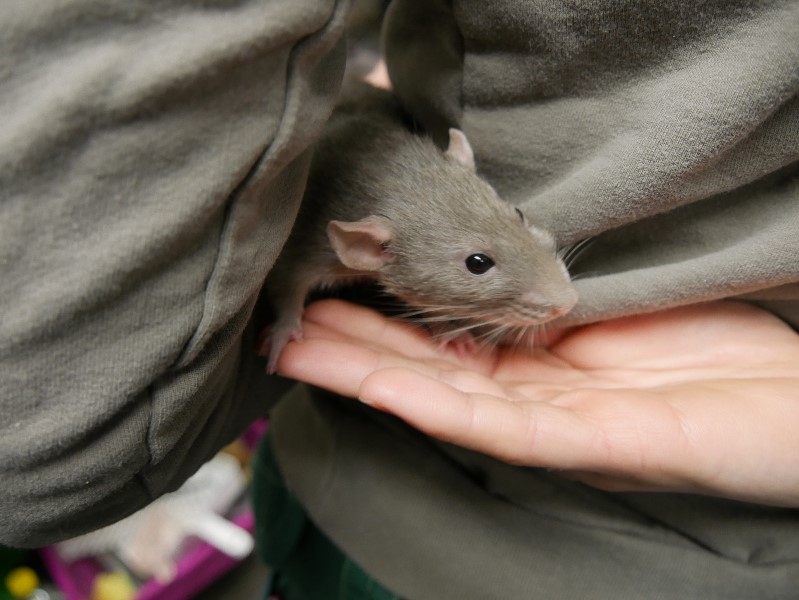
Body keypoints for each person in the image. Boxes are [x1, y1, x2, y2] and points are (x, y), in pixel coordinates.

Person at [1, 0, 798, 598]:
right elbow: (295, 272)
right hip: (369, 504)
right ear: (367, 249)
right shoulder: (347, 242)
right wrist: (286, 314)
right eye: (482, 264)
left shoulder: (445, 171)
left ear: (463, 160)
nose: (557, 296)